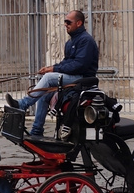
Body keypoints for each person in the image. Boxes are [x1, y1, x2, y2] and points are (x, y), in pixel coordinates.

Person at [6, 9, 99, 138]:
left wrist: (53, 70)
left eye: (68, 22)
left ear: (79, 23)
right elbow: (66, 63)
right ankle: (37, 130)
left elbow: (80, 65)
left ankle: (23, 104)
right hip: (74, 76)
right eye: (65, 22)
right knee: (45, 93)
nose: (65, 24)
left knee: (49, 78)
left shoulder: (86, 41)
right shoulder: (70, 42)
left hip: (82, 78)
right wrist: (51, 67)